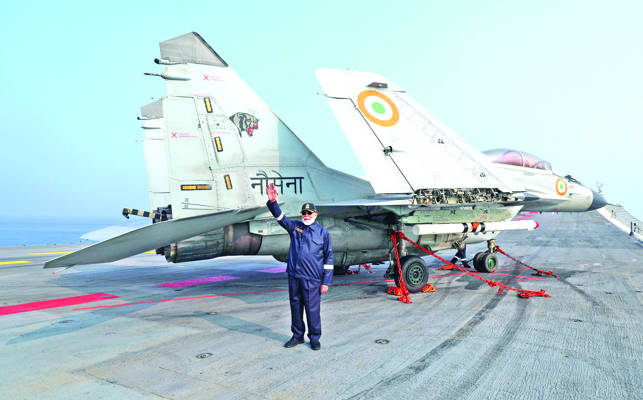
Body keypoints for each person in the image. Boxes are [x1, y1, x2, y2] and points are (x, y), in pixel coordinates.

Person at [266, 183, 333, 350]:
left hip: (312, 278)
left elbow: (328, 257)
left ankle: (315, 338)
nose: (306, 215)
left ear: (315, 214)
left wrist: (326, 282)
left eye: (309, 213)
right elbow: (281, 218)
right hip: (295, 276)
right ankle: (297, 336)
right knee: (295, 307)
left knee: (312, 310)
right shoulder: (295, 227)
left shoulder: (323, 233)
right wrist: (273, 202)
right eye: (304, 212)